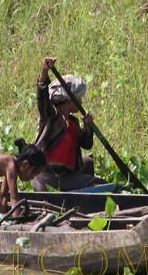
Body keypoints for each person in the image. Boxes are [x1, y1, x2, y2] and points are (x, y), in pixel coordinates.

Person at [32, 56, 108, 192]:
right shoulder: (52, 117)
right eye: (78, 99)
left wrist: (87, 127)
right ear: (68, 101)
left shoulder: (73, 122)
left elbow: (87, 144)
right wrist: (44, 73)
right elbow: (43, 100)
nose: (81, 103)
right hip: (50, 176)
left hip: (67, 175)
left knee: (89, 164)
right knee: (99, 185)